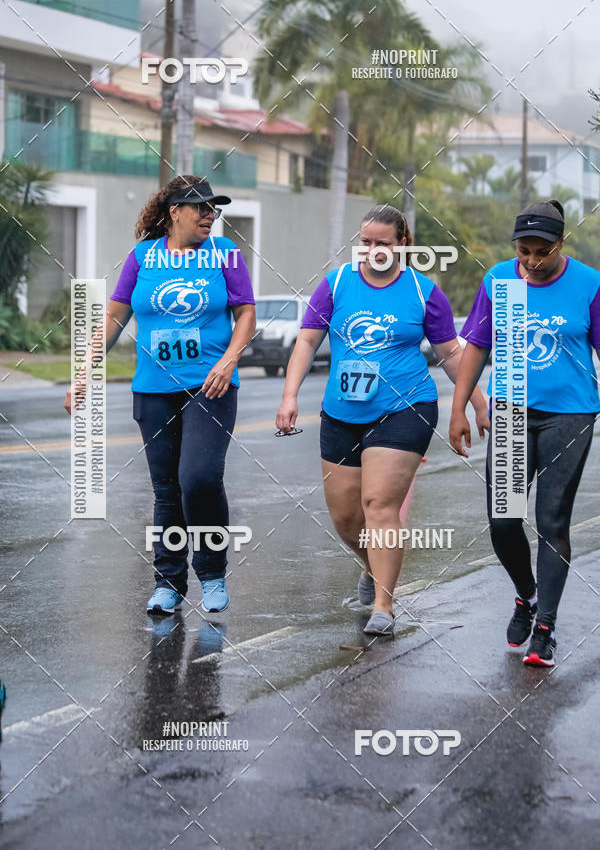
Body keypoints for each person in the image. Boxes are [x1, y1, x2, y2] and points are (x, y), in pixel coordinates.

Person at [276, 204, 489, 635]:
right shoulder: (335, 285)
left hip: (405, 408)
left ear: (403, 245)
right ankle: (372, 567)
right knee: (346, 517)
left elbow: (450, 353)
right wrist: (290, 396)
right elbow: (306, 343)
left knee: (379, 505)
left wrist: (475, 402)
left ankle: (384, 606)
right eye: (365, 242)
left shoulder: (423, 292)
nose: (372, 250)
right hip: (342, 411)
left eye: (382, 244)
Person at [65, 177, 256, 616]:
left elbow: (245, 313)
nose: (210, 215)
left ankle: (211, 572)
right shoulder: (142, 257)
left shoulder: (225, 255)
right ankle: (168, 582)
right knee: (166, 490)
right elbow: (113, 318)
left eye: (214, 208)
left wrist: (228, 359)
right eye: (201, 207)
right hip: (153, 390)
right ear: (174, 212)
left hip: (211, 386)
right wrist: (82, 375)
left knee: (200, 479)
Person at [449, 199, 600, 666]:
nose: (532, 262)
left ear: (560, 244)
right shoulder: (500, 280)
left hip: (570, 413)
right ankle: (526, 595)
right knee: (503, 520)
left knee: (552, 520)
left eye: (542, 251)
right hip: (513, 408)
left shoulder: (589, 283)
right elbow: (475, 345)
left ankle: (546, 628)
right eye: (524, 250)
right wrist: (459, 408)